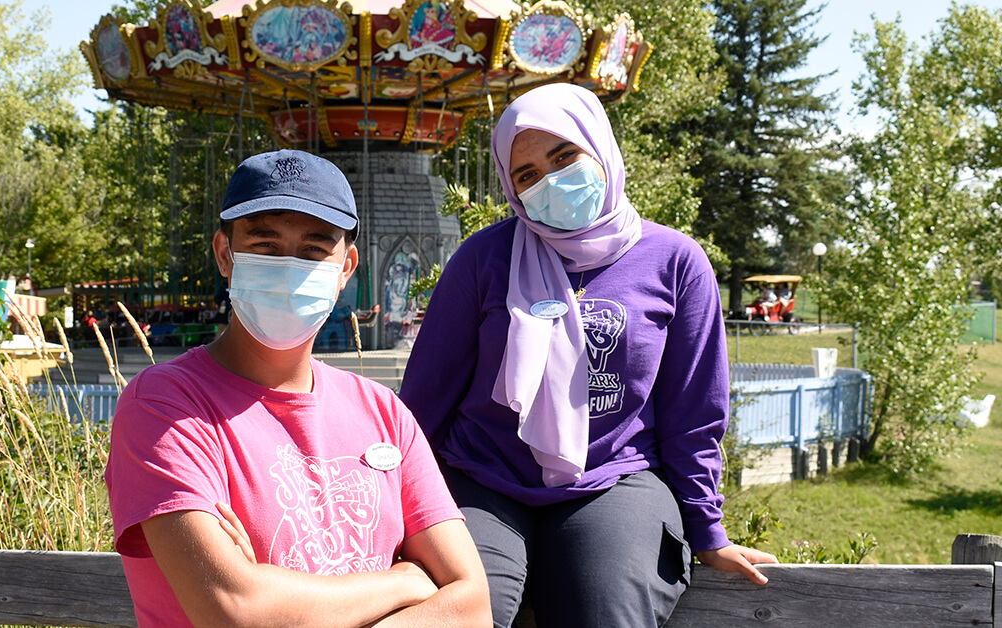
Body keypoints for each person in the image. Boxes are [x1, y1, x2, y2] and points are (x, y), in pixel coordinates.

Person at [398, 83, 777, 628]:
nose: (549, 181)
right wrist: (396, 511)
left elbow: (695, 413)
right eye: (527, 174)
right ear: (511, 188)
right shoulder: (483, 259)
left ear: (598, 147)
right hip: (484, 479)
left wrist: (707, 530)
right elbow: (424, 402)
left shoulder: (675, 261)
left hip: (614, 479)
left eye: (563, 156)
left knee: (606, 610)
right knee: (463, 610)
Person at [105, 149, 490, 628]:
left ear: (345, 267)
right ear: (226, 254)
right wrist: (403, 582)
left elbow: (471, 604)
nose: (289, 267)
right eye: (265, 245)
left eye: (313, 249)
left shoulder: (384, 414)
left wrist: (274, 593)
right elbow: (235, 608)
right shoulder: (166, 408)